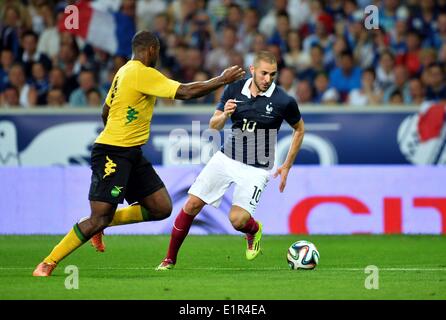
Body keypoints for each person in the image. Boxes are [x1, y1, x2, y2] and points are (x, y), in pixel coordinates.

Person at [32, 30, 245, 277]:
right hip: (113, 152)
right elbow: (186, 92)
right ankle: (48, 263)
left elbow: (106, 110)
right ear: (152, 50)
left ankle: (104, 223)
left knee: (161, 208)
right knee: (97, 218)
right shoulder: (141, 73)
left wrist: (120, 131)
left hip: (130, 151)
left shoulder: (123, 71)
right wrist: (222, 79)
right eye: (158, 52)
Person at [156, 51, 305, 270]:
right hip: (227, 158)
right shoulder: (234, 89)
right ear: (253, 70)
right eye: (264, 73)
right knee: (192, 204)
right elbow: (213, 125)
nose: (268, 79)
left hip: (257, 167)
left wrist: (287, 165)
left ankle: (253, 230)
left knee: (237, 221)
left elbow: (299, 129)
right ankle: (169, 259)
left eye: (272, 75)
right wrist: (223, 114)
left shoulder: (283, 100)